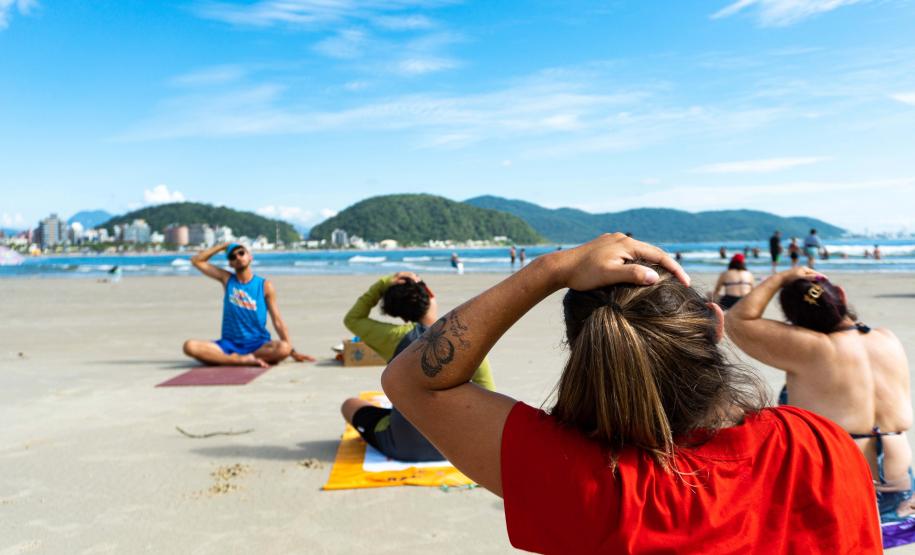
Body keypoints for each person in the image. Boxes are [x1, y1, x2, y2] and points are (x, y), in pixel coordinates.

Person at [381, 234, 880, 553]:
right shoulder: (819, 443)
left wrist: (551, 269)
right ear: (715, 326)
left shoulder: (591, 483)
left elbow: (411, 381)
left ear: (590, 352)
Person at [725, 267, 914, 526]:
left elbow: (737, 320)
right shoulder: (886, 339)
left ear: (792, 321)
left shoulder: (810, 349)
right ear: (842, 297)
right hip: (899, 477)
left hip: (840, 475)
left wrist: (779, 278)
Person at [341, 272, 495, 461]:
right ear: (430, 296)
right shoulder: (465, 338)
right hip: (456, 447)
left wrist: (382, 284)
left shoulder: (395, 337)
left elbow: (353, 319)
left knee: (349, 405)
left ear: (403, 316)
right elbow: (488, 391)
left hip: (405, 447)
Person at [182, 243, 314, 367]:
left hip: (258, 345)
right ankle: (239, 360)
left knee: (283, 348)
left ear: (250, 256)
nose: (238, 257)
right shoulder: (227, 279)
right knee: (190, 346)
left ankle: (232, 359)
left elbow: (277, 320)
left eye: (241, 253)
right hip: (229, 344)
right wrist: (223, 246)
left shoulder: (265, 285)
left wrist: (291, 351)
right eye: (233, 256)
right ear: (230, 263)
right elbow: (197, 261)